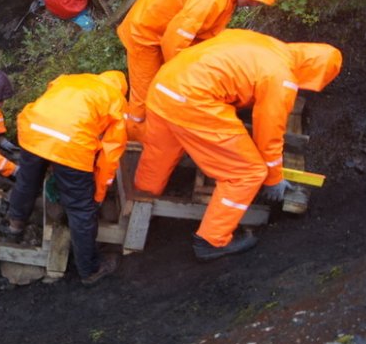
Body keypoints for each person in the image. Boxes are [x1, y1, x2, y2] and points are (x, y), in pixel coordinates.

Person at [133, 29, 342, 261]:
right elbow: (269, 133)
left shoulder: (268, 45)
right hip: (192, 100)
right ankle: (211, 241)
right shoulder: (281, 78)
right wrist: (273, 178)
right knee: (247, 173)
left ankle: (141, 198)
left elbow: (231, 69)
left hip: (164, 86)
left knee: (160, 152)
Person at [117, 0, 286, 141]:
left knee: (170, 84)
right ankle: (135, 137)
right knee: (146, 93)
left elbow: (200, 34)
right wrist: (185, 77)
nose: (253, 4)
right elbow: (174, 41)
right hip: (144, 32)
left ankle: (160, 127)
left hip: (161, 28)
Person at [3, 71, 128, 285]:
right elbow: (109, 157)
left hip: (33, 130)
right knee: (81, 209)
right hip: (72, 145)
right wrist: (97, 196)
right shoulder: (116, 101)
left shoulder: (70, 79)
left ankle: (15, 225)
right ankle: (90, 269)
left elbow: (53, 108)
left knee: (27, 180)